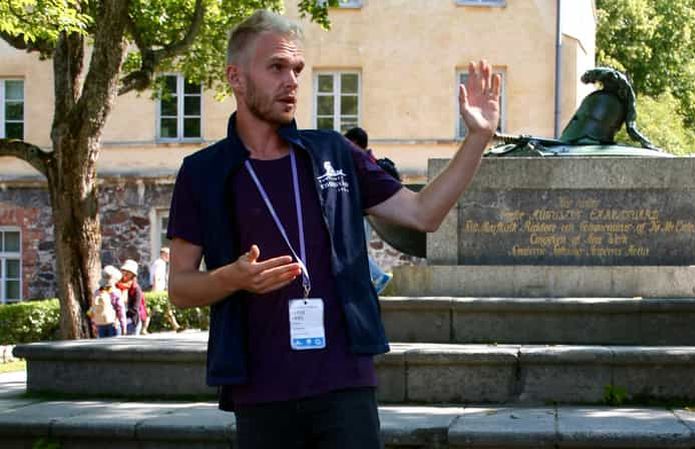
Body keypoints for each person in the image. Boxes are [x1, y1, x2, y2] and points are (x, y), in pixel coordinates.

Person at [167, 10, 499, 449]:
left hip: (345, 381)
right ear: (236, 77)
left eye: (297, 70)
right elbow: (179, 287)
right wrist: (232, 277)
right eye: (276, 68)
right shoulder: (203, 172)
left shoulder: (333, 153)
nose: (292, 81)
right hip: (260, 389)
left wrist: (477, 138)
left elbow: (424, 214)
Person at [344, 126, 394, 294]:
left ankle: (378, 275)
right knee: (356, 250)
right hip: (365, 214)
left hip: (359, 213)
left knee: (354, 250)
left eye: (348, 143)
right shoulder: (369, 161)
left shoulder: (361, 163)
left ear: (355, 143)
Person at [88, 265, 125, 338]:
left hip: (100, 324)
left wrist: (94, 324)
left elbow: (92, 310)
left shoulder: (97, 293)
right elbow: (120, 310)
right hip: (114, 324)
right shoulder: (116, 292)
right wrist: (123, 325)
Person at [117, 259, 145, 336]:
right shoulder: (116, 286)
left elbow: (134, 309)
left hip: (131, 323)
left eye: (128, 272)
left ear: (133, 275)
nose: (125, 274)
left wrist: (121, 315)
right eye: (124, 271)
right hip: (118, 323)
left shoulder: (136, 289)